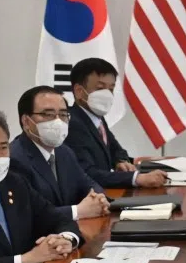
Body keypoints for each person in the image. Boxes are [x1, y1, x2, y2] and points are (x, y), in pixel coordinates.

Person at [0, 109, 83, 263]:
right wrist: (24, 260)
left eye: (3, 148)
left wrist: (65, 239)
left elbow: (58, 219)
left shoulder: (15, 182)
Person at [10, 85, 110, 221]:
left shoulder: (64, 152)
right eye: (48, 114)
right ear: (26, 121)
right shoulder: (15, 159)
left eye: (63, 115)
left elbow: (88, 183)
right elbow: (29, 214)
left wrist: (98, 198)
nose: (58, 121)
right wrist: (77, 211)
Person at [64, 58, 167, 189]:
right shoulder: (73, 124)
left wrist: (120, 161)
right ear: (79, 91)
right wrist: (136, 178)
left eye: (111, 89)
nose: (107, 95)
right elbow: (87, 173)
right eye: (100, 88)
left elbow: (116, 149)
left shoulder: (96, 118)